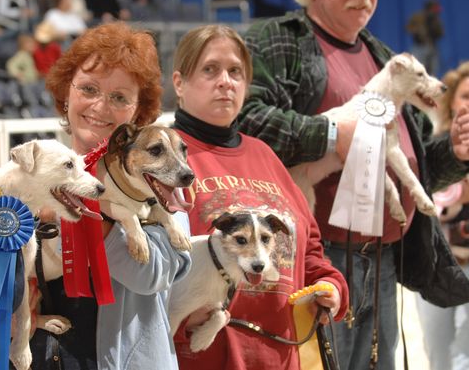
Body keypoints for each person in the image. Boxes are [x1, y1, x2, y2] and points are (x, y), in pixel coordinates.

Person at [237, 0, 469, 368]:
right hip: (313, 259)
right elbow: (248, 122)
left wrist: (456, 152)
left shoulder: (383, 56)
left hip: (383, 261)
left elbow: (418, 167)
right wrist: (331, 135)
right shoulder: (277, 40)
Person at [170, 24, 347, 369]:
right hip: (202, 356)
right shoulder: (164, 157)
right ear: (179, 83)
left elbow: (307, 246)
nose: (225, 81)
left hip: (279, 355)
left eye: (235, 71)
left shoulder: (265, 155)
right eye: (210, 69)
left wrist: (329, 284)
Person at [29, 21, 191, 370]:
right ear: (66, 94)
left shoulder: (164, 186)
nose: (100, 107)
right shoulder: (31, 175)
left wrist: (89, 212)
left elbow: (149, 276)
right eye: (88, 89)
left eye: (119, 97)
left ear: (138, 112)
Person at [417, 61, 469, 370]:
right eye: (466, 95)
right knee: (437, 351)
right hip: (436, 262)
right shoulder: (431, 146)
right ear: (452, 100)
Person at [406, 0, 444, 76]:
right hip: (419, 47)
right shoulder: (418, 17)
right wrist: (418, 30)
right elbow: (409, 28)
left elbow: (441, 33)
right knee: (417, 71)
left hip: (432, 48)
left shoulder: (436, 20)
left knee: (432, 73)